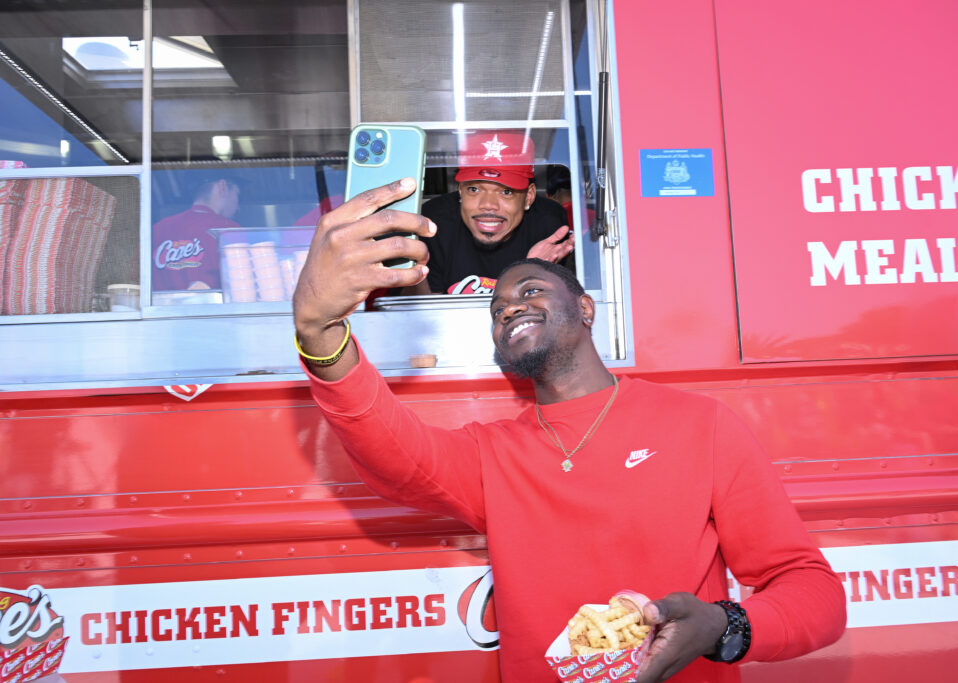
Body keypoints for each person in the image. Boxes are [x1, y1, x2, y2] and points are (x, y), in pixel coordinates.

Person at [291, 179, 846, 683]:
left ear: (585, 309)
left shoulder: (699, 424)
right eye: (496, 309)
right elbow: (392, 451)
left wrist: (722, 627)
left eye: (530, 291)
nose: (509, 309)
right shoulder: (492, 453)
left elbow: (814, 594)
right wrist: (320, 331)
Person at [414, 130, 575, 295]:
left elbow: (559, 304)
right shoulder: (434, 222)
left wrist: (536, 270)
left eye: (506, 192)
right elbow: (425, 307)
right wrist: (528, 272)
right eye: (474, 189)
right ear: (461, 191)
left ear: (528, 197)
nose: (488, 205)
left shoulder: (549, 224)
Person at [151, 177, 241, 291]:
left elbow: (134, 283)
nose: (238, 207)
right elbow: (243, 286)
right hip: (212, 303)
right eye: (238, 194)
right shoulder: (229, 230)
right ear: (222, 187)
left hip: (160, 303)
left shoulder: (157, 229)